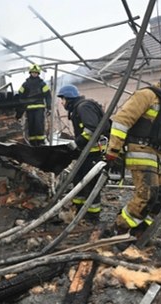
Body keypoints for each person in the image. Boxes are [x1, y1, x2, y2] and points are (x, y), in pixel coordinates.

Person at [105, 66, 161, 241]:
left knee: (158, 200)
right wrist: (113, 151)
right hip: (141, 152)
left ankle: (139, 233)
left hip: (159, 156)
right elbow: (122, 121)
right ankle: (118, 230)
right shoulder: (146, 95)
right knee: (147, 195)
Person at [57, 84, 109, 222]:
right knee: (78, 182)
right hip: (85, 154)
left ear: (69, 98)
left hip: (93, 155)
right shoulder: (78, 108)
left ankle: (92, 218)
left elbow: (92, 129)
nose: (62, 103)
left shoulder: (83, 107)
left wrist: (76, 143)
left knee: (91, 185)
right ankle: (78, 212)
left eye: (62, 99)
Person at [17, 64, 52, 146]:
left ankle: (40, 143)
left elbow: (48, 95)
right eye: (33, 72)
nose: (34, 74)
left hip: (39, 108)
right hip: (29, 108)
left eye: (36, 72)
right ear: (30, 73)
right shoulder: (25, 84)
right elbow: (20, 94)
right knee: (31, 126)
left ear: (38, 73)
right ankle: (33, 143)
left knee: (39, 125)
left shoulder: (42, 84)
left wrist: (49, 107)